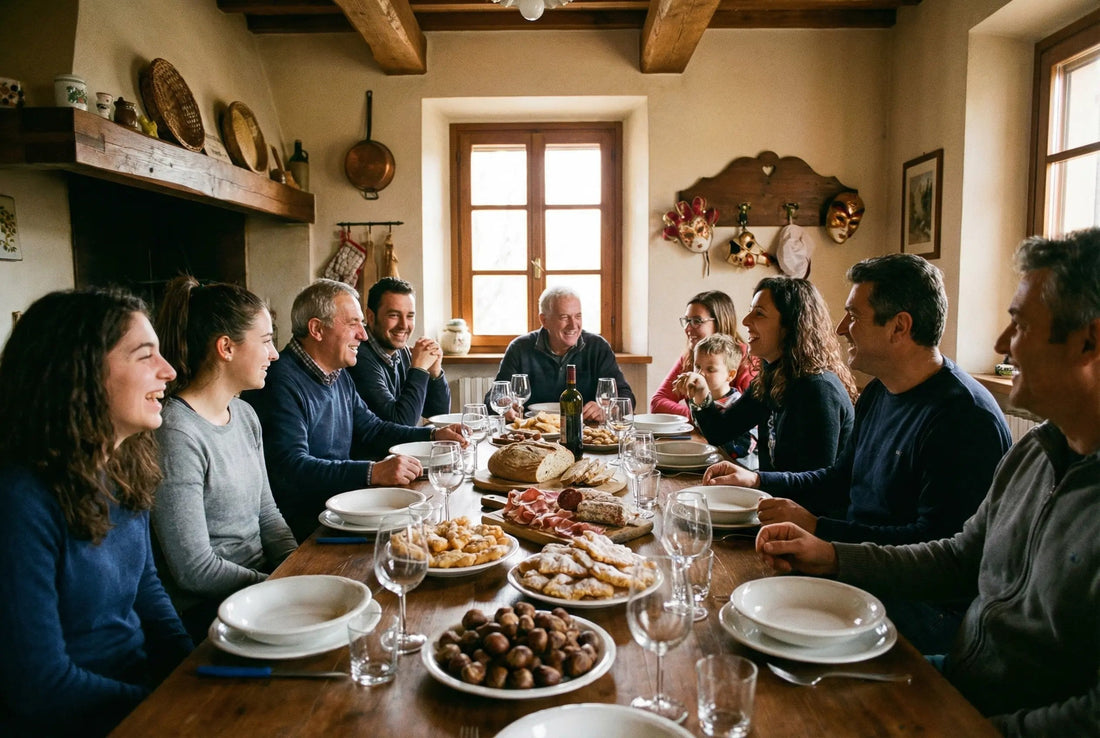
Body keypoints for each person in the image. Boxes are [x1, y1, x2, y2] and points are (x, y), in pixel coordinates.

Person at [756, 228, 1100, 737]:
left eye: (1021, 324)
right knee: (780, 683)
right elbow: (960, 558)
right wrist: (831, 555)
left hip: (986, 710)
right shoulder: (1037, 450)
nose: (1001, 344)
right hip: (962, 674)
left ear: (1089, 340)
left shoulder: (968, 419)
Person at [705, 255, 1011, 653]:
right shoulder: (880, 391)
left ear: (899, 327)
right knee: (725, 598)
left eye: (853, 316)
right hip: (858, 571)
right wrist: (761, 481)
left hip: (920, 608)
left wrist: (824, 534)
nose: (839, 329)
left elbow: (937, 552)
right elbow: (839, 478)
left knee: (744, 627)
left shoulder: (964, 418)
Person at [0, 289, 192, 737]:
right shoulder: (18, 499)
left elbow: (146, 589)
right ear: (80, 372)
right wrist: (168, 705)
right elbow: (39, 687)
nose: (169, 370)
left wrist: (191, 668)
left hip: (139, 693)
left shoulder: (125, 463)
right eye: (145, 355)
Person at [242, 279, 465, 541]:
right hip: (308, 529)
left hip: (344, 510)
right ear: (317, 329)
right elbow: (292, 468)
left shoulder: (338, 374)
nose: (363, 334)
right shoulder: (279, 382)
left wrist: (433, 436)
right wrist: (372, 472)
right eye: (353, 324)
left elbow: (373, 429)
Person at [151, 276, 298, 643]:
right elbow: (194, 570)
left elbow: (267, 514)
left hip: (262, 590)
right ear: (226, 347)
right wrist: (278, 587)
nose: (275, 354)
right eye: (266, 341)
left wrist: (299, 569)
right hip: (210, 611)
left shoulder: (245, 414)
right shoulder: (177, 431)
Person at [680, 277, 856, 474]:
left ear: (791, 325)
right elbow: (719, 432)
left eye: (759, 313)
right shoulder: (771, 378)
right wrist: (702, 392)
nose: (746, 320)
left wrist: (755, 480)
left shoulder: (818, 389)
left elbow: (815, 482)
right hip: (769, 492)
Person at [488, 286, 634, 421]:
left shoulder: (598, 347)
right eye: (564, 317)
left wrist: (608, 409)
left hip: (585, 433)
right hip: (532, 434)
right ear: (544, 320)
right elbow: (493, 398)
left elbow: (626, 397)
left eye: (578, 316)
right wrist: (503, 404)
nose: (573, 325)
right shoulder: (519, 348)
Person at [347, 277, 451, 425]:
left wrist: (435, 374)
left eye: (410, 316)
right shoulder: (358, 357)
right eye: (394, 315)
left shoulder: (401, 351)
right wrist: (419, 369)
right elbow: (400, 422)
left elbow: (438, 414)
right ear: (370, 317)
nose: (404, 325)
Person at [650, 290, 754, 418]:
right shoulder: (690, 356)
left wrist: (702, 417)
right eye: (687, 320)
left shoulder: (747, 358)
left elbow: (746, 416)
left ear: (720, 322)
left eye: (697, 321)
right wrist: (697, 417)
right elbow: (657, 402)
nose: (687, 328)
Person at [684, 333, 754, 458]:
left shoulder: (737, 405)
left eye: (710, 369)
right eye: (697, 366)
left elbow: (741, 449)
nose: (700, 374)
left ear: (730, 375)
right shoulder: (699, 397)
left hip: (736, 465)